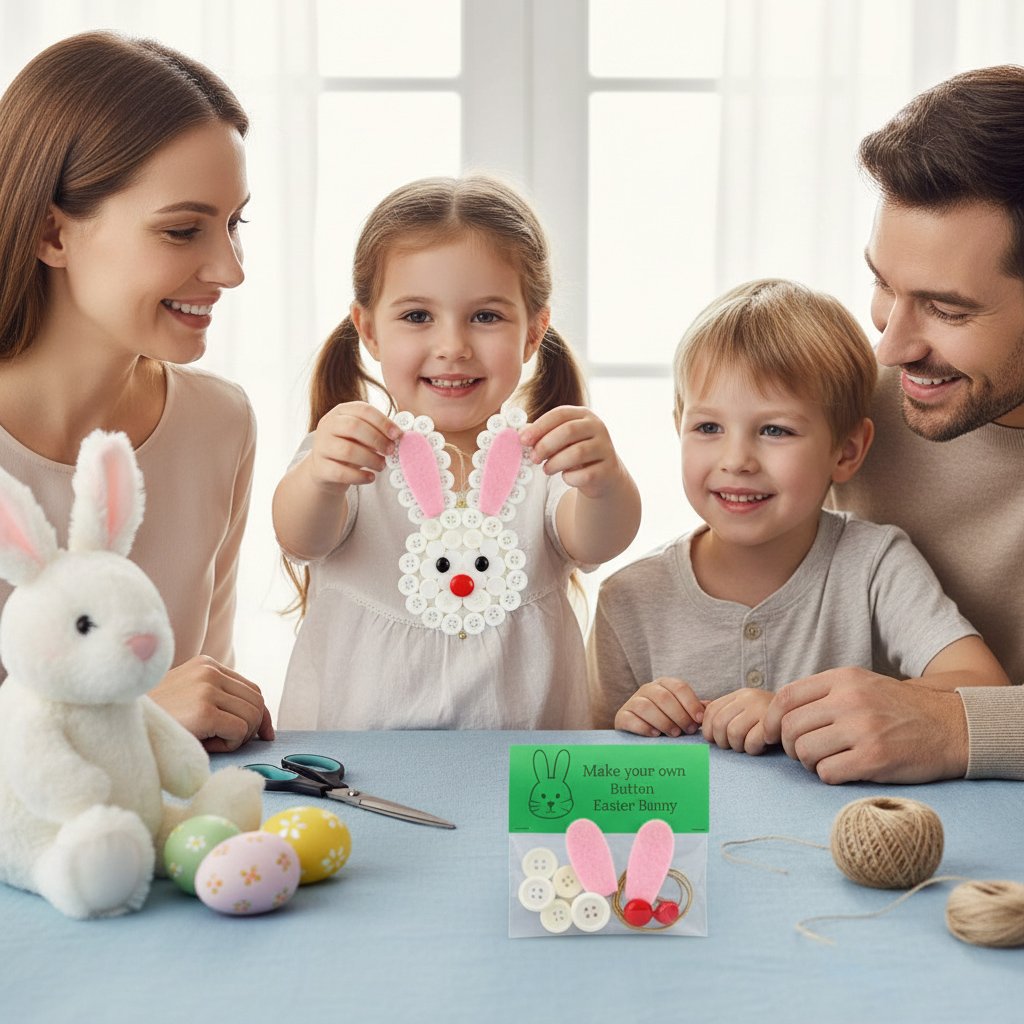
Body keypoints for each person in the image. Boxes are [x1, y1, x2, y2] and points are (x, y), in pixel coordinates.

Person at [273, 175, 641, 729]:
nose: (452, 346)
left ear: (533, 332)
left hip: (523, 776)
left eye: (486, 316)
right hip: (361, 770)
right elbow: (299, 537)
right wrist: (321, 479)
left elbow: (597, 540)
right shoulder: (352, 457)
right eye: (417, 316)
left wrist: (605, 482)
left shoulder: (542, 459)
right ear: (368, 330)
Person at [588, 279, 1008, 752]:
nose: (736, 460)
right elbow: (598, 760)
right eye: (708, 427)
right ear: (678, 429)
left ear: (846, 451)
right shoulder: (627, 599)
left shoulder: (875, 564)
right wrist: (633, 720)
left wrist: (792, 710)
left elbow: (981, 687)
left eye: (774, 429)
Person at [0, 32, 273, 751]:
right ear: (50, 233)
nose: (230, 269)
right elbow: (164, 709)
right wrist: (128, 713)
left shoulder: (219, 425)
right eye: (183, 230)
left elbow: (206, 711)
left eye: (234, 223)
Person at [763, 66, 1024, 783]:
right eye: (883, 284)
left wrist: (958, 727)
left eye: (946, 309)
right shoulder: (860, 405)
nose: (890, 347)